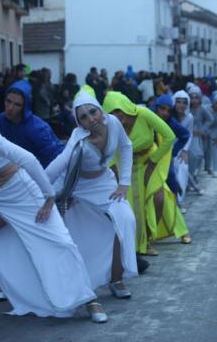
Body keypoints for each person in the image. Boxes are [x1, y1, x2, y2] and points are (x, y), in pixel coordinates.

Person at [0, 81, 105, 323]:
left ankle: (90, 300)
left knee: (60, 244)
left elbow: (27, 159)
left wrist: (48, 196)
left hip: (27, 198)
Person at [45, 91, 138, 298]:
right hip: (79, 188)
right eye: (83, 117)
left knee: (125, 219)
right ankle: (81, 284)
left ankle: (117, 279)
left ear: (100, 109)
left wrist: (124, 183)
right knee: (79, 234)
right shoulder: (78, 138)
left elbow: (126, 146)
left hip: (105, 184)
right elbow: (58, 166)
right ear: (79, 122)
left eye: (93, 111)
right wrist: (39, 189)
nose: (91, 118)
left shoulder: (113, 122)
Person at [102, 91, 191, 256]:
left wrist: (154, 160)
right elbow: (110, 150)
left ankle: (167, 232)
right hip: (127, 166)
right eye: (111, 112)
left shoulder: (143, 113)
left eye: (118, 110)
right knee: (136, 206)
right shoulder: (112, 125)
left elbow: (170, 137)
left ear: (126, 106)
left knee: (159, 197)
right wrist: (114, 171)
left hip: (151, 160)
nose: (116, 115)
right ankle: (146, 241)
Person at [0, 80, 64, 168]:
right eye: (8, 101)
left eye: (17, 104)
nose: (10, 108)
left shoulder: (38, 129)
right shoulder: (2, 119)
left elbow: (57, 158)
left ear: (25, 106)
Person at [152, 94, 190, 208]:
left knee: (170, 177)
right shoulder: (148, 118)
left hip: (164, 158)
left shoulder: (170, 122)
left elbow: (185, 135)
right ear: (156, 107)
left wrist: (173, 151)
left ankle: (175, 205)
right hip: (148, 158)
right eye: (162, 109)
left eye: (168, 110)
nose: (165, 113)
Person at [172, 90, 197, 198]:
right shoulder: (169, 116)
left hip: (181, 148)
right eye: (178, 102)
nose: (181, 105)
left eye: (184, 102)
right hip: (168, 148)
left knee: (183, 168)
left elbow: (189, 134)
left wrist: (185, 150)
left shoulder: (189, 117)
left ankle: (179, 199)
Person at [188, 85, 213, 186]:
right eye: (192, 97)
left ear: (200, 98)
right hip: (187, 137)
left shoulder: (202, 109)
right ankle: (189, 177)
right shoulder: (186, 108)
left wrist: (202, 130)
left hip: (198, 138)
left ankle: (194, 175)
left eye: (196, 97)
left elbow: (210, 119)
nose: (194, 100)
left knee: (198, 156)